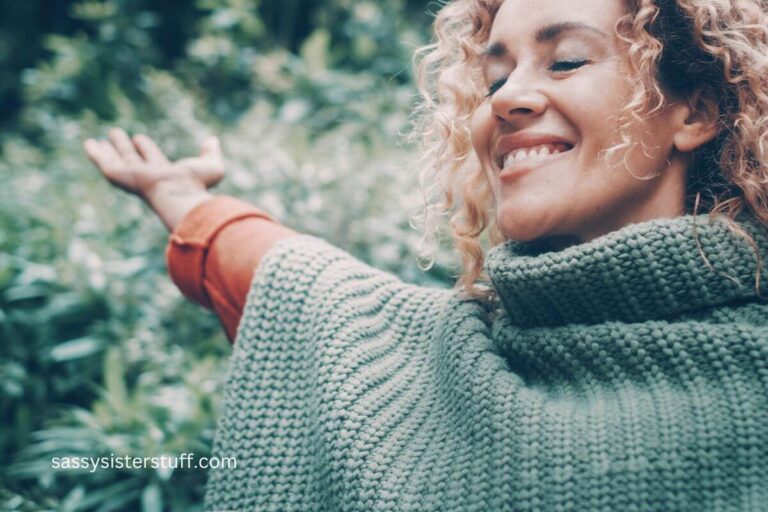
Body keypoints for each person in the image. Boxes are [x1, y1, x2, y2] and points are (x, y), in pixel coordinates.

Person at [84, 0, 768, 509]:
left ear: (694, 112)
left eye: (565, 60)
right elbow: (280, 274)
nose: (507, 102)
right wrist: (179, 196)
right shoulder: (407, 348)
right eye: (494, 79)